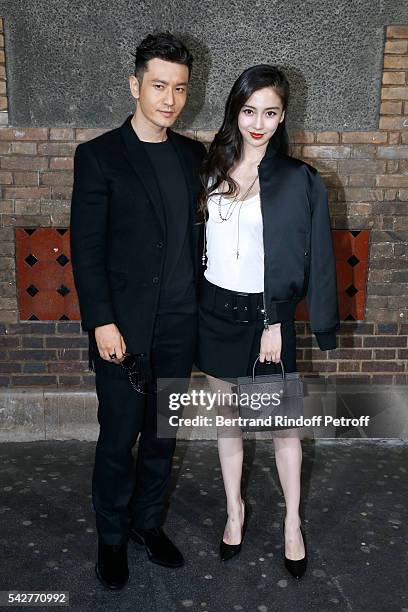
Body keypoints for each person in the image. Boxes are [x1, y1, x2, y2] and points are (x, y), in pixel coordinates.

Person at [70, 32, 206, 590]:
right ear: (135, 85)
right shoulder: (99, 155)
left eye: (178, 88)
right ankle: (110, 538)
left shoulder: (193, 155)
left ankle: (148, 526)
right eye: (158, 85)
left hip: (180, 322)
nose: (169, 99)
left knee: (163, 434)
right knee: (118, 435)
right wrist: (101, 319)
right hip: (122, 328)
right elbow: (87, 246)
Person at [196, 64, 339, 579]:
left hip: (266, 320)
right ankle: (235, 512)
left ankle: (292, 524)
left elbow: (305, 258)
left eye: (270, 112)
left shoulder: (298, 179)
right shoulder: (210, 167)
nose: (259, 122)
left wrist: (277, 322)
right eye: (250, 110)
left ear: (282, 117)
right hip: (215, 313)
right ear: (236, 111)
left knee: (283, 430)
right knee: (227, 421)